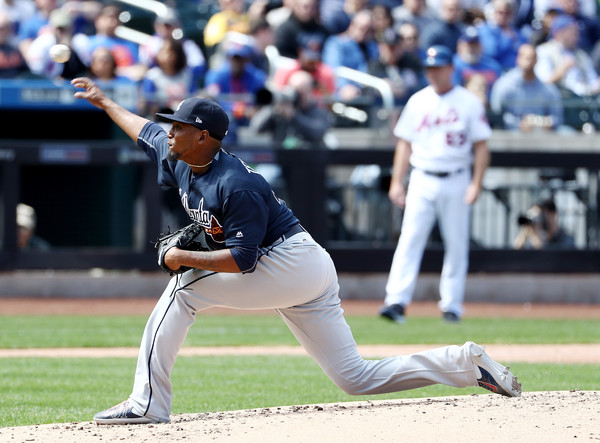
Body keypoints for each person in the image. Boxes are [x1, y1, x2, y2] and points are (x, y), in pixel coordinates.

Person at [70, 75, 521, 425]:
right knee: (355, 378)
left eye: (181, 126)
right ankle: (465, 363)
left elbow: (243, 262)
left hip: (287, 261)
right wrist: (105, 101)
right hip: (305, 268)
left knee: (183, 290)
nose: (170, 131)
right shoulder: (180, 156)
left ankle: (147, 403)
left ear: (204, 136)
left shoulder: (236, 184)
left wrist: (182, 258)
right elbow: (143, 129)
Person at [380, 45, 491, 325]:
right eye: (430, 68)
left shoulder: (468, 102)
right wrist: (397, 182)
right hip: (422, 175)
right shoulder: (418, 100)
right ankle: (396, 301)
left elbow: (481, 146)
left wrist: (476, 183)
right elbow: (404, 144)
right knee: (409, 239)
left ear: (451, 68)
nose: (433, 72)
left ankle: (451, 305)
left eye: (438, 67)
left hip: (456, 176)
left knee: (456, 244)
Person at [250, 70, 333, 148]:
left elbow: (317, 134)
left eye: (301, 92)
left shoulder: (318, 111)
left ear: (310, 90)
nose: (297, 95)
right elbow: (256, 128)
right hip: (280, 158)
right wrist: (272, 109)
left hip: (309, 159)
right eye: (295, 90)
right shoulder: (281, 109)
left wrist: (294, 117)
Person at [490, 43, 563, 131]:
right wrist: (518, 124)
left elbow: (557, 118)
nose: (529, 61)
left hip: (542, 137)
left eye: (532, 57)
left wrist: (546, 123)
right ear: (517, 59)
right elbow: (496, 115)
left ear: (536, 60)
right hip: (510, 137)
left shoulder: (547, 89)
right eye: (524, 57)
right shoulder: (504, 85)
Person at [535, 14, 600, 97]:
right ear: (559, 33)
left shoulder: (581, 55)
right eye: (572, 32)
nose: (577, 36)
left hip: (583, 101)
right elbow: (542, 84)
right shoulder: (544, 51)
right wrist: (561, 70)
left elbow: (592, 82)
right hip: (558, 100)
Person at [322, 9, 379, 102]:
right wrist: (344, 86)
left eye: (368, 30)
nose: (364, 32)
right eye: (361, 28)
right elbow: (333, 69)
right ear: (352, 25)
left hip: (369, 94)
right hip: (344, 96)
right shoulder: (336, 43)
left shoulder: (372, 48)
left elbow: (378, 68)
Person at [24, 8, 89, 79]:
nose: (61, 32)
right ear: (52, 28)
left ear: (71, 28)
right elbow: (36, 71)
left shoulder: (80, 41)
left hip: (75, 83)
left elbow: (88, 67)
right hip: (47, 84)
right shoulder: (43, 42)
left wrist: (70, 50)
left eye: (64, 28)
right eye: (58, 28)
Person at [476, 0, 527, 71]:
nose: (504, 16)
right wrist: (507, 38)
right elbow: (491, 52)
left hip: (515, 71)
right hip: (493, 71)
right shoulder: (485, 30)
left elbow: (525, 50)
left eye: (507, 13)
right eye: (500, 12)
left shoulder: (516, 32)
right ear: (493, 12)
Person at [452, 26, 503, 95]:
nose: (472, 48)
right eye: (469, 45)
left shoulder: (493, 66)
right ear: (460, 46)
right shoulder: (453, 65)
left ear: (481, 46)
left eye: (475, 45)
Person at [0, 11, 30, 78]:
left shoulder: (15, 50)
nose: (1, 32)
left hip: (14, 87)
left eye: (3, 28)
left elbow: (26, 72)